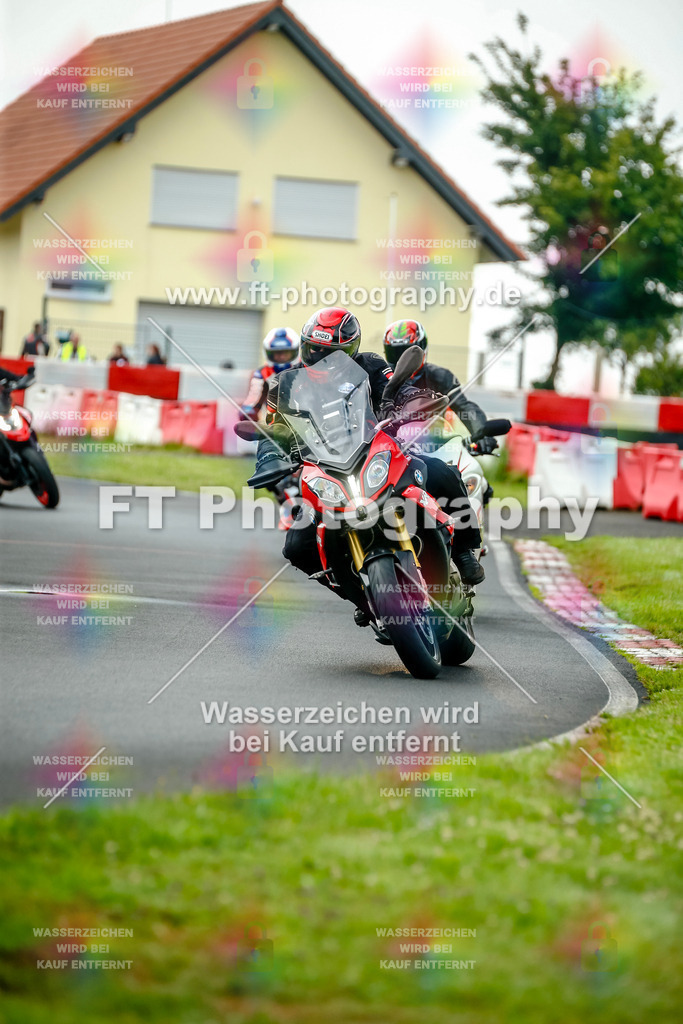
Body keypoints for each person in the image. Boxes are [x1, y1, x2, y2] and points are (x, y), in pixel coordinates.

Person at [249, 307, 484, 591]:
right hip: (323, 468)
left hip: (376, 449)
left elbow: (397, 388)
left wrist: (413, 401)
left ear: (350, 350)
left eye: (329, 353)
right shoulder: (285, 384)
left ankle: (462, 549)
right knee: (296, 547)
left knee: (441, 471)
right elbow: (273, 428)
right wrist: (270, 458)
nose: (319, 359)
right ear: (305, 345)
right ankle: (355, 594)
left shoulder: (370, 364)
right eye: (314, 350)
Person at [383, 319, 486, 437]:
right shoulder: (380, 375)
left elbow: (464, 406)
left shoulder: (441, 376)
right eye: (395, 353)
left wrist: (481, 433)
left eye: (409, 352)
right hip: (387, 445)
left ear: (422, 348)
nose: (403, 359)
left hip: (431, 446)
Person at [240, 327, 300, 420]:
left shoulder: (306, 370)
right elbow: (253, 399)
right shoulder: (261, 374)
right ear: (269, 353)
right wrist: (248, 411)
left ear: (295, 352)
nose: (282, 357)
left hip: (306, 423)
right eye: (277, 353)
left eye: (286, 353)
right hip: (275, 424)